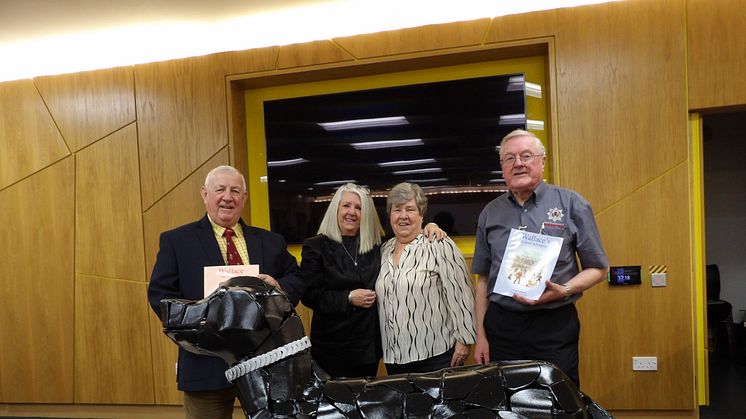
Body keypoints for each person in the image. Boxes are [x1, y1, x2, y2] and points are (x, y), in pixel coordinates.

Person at [147, 165, 304, 419]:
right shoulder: (177, 241)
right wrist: (200, 323)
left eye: (235, 191)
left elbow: (298, 277)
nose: (227, 197)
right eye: (220, 189)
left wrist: (278, 286)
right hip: (205, 363)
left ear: (244, 198)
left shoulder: (271, 241)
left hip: (267, 363)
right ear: (205, 194)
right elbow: (160, 296)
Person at [471, 129, 609, 387]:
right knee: (507, 402)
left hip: (553, 325)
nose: (518, 163)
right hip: (502, 327)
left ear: (542, 161)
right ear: (502, 167)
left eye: (526, 155)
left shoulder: (571, 204)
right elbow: (482, 281)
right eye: (509, 158)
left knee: (557, 399)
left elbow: (599, 269)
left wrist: (564, 290)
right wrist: (481, 335)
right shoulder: (489, 213)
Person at [300, 183, 445, 378]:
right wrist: (348, 298)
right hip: (332, 347)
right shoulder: (315, 246)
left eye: (358, 208)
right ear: (336, 208)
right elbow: (309, 295)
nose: (352, 212)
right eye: (346, 206)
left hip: (368, 348)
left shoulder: (377, 244)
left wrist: (430, 225)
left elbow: (406, 227)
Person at [375, 182, 476, 375]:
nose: (403, 215)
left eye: (410, 209)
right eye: (397, 210)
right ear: (390, 215)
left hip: (436, 356)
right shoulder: (383, 250)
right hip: (394, 358)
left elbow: (462, 294)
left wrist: (464, 340)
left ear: (421, 214)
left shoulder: (438, 244)